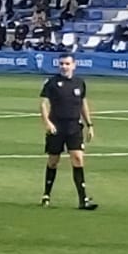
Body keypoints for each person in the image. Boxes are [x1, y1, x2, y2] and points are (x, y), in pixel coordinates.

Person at [39, 54, 98, 210]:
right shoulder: (51, 83)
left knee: (78, 159)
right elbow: (43, 104)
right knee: (53, 160)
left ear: (74, 65)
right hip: (56, 127)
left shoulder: (79, 83)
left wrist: (89, 124)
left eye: (67, 63)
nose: (64, 66)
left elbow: (83, 104)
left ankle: (83, 198)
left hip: (74, 126)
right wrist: (47, 122)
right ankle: (46, 195)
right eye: (61, 64)